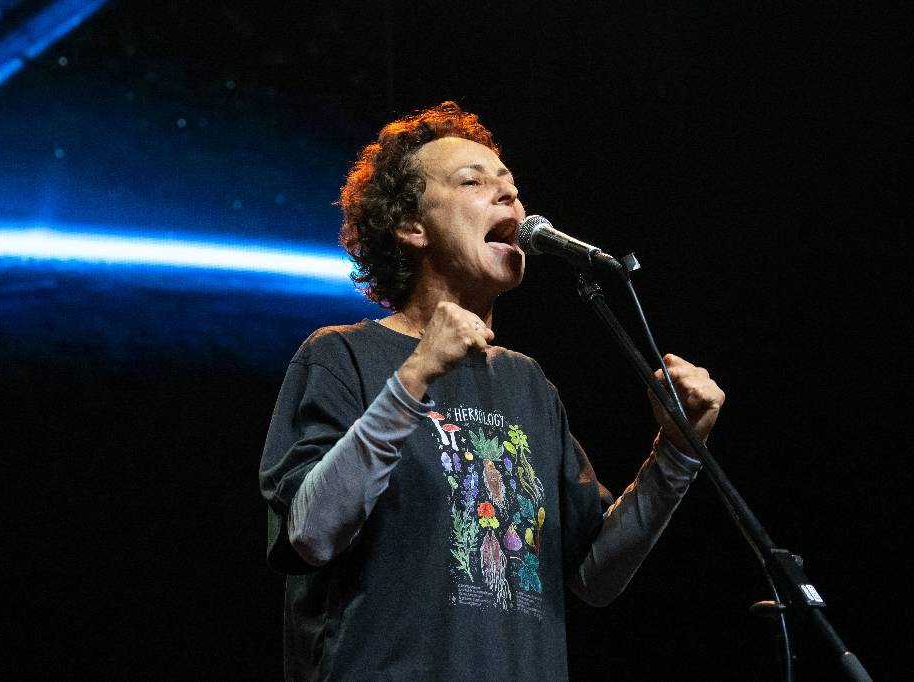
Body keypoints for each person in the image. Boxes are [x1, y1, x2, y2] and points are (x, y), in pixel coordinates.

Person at [258, 102, 725, 681]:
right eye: (472, 182)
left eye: (511, 186)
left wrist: (676, 454)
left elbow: (594, 576)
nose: (510, 197)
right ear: (411, 226)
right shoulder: (341, 355)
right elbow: (308, 534)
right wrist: (415, 376)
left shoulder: (527, 383)